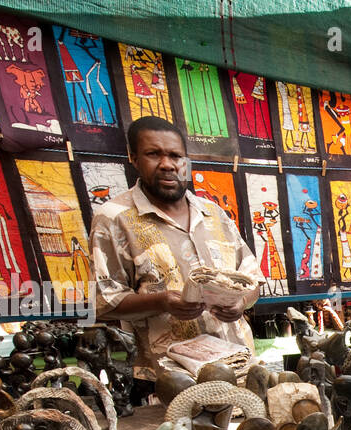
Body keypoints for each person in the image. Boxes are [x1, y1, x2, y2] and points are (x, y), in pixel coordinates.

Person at [91, 116, 261, 379]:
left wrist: (241, 302)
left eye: (175, 156)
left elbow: (253, 280)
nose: (167, 165)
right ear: (134, 158)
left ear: (186, 161)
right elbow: (106, 301)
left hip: (237, 366)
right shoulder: (114, 218)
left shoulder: (214, 214)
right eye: (153, 154)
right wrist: (163, 301)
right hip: (171, 376)